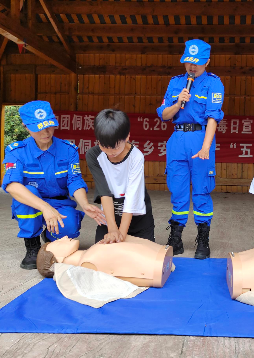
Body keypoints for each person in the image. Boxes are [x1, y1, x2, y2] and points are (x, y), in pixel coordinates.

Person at [2, 100, 105, 270]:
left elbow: (75, 180)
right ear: (26, 127)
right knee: (27, 192)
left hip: (59, 201)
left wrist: (85, 204)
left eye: (49, 125)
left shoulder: (68, 150)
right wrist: (45, 208)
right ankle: (32, 245)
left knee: (69, 229)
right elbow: (12, 186)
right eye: (38, 127)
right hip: (33, 202)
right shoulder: (16, 151)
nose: (46, 132)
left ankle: (49, 236)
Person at [156, 39, 225, 259]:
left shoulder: (213, 83)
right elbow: (164, 115)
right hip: (177, 138)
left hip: (200, 137)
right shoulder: (176, 83)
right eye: (188, 62)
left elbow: (213, 117)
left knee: (202, 190)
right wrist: (177, 103)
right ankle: (175, 237)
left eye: (197, 63)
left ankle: (202, 240)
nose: (192, 67)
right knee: (177, 189)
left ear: (207, 62)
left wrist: (206, 147)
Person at [86, 108, 155, 244]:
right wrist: (112, 229)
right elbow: (104, 192)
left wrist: (120, 235)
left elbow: (131, 197)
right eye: (104, 146)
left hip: (137, 217)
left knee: (143, 259)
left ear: (127, 137)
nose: (110, 153)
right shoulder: (93, 156)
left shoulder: (136, 157)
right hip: (110, 217)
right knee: (101, 256)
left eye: (116, 147)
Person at [36, 235, 174, 288]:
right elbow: (118, 277)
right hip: (156, 265)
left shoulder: (90, 255)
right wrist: (153, 279)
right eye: (58, 242)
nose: (64, 237)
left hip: (159, 258)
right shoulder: (89, 262)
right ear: (57, 259)